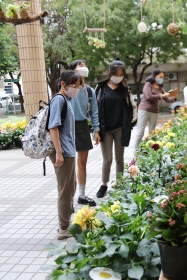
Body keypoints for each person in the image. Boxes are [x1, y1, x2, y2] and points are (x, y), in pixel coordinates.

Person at [48, 70, 83, 240]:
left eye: (77, 86)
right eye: (73, 85)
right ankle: (63, 228)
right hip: (63, 153)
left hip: (68, 151)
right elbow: (53, 127)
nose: (76, 89)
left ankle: (66, 224)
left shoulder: (66, 100)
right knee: (65, 191)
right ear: (63, 84)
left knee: (70, 188)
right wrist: (59, 154)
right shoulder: (59, 100)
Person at [95, 59, 137, 198]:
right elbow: (94, 109)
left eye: (121, 74)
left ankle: (120, 184)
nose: (119, 77)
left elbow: (133, 106)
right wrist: (95, 129)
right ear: (109, 73)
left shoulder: (125, 89)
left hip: (120, 128)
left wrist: (131, 122)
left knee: (120, 159)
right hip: (105, 129)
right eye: (116, 74)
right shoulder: (100, 88)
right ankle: (104, 184)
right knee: (107, 160)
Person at [68, 59, 100, 207]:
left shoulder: (89, 91)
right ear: (73, 70)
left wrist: (96, 129)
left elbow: (94, 112)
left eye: (85, 65)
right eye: (80, 65)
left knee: (82, 164)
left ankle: (81, 195)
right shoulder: (67, 88)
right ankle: (67, 199)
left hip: (81, 126)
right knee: (67, 166)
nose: (84, 67)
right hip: (67, 127)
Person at [132, 68, 171, 154]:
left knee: (152, 132)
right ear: (154, 76)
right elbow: (149, 96)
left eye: (163, 77)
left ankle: (149, 150)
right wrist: (161, 96)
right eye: (160, 76)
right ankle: (135, 151)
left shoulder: (161, 87)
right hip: (144, 110)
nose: (161, 78)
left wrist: (173, 97)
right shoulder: (148, 84)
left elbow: (167, 99)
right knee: (140, 132)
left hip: (154, 111)